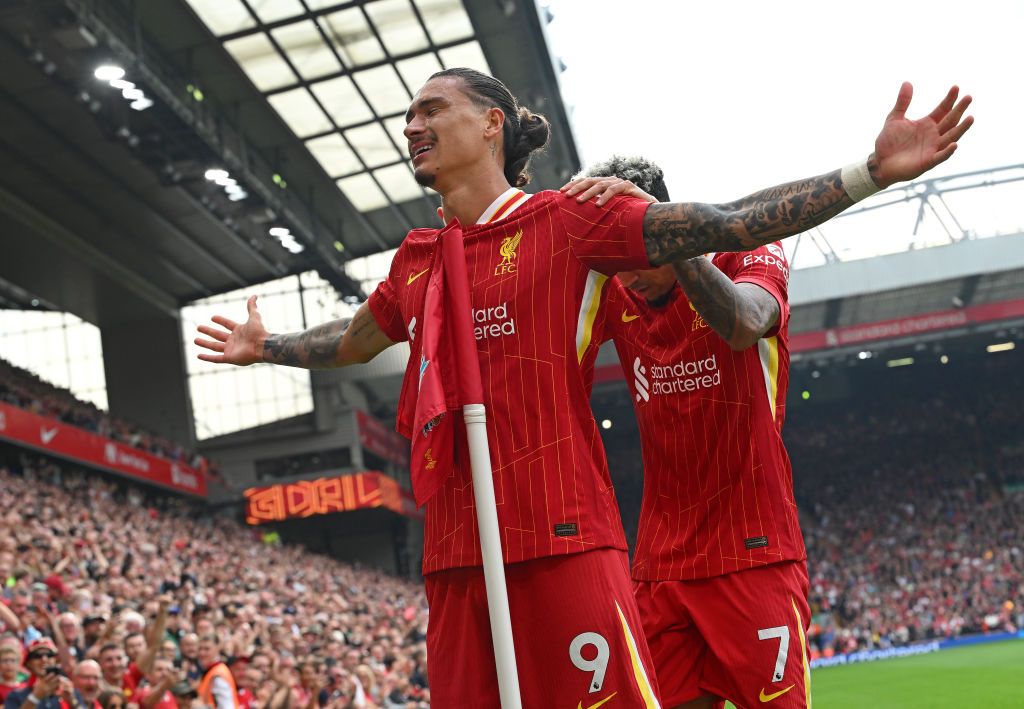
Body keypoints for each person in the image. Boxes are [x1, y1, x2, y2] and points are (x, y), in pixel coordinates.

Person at [195, 68, 972, 706]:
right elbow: (357, 339)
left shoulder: (566, 223)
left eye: (432, 108)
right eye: (407, 117)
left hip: (564, 542)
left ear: (492, 122)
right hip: (456, 556)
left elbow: (724, 223)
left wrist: (868, 173)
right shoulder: (417, 259)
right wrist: (270, 348)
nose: (412, 126)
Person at [573, 155, 809, 707]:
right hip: (660, 564)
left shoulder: (744, 252)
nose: (627, 273)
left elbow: (744, 324)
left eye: (637, 251)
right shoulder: (615, 288)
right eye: (616, 257)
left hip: (754, 549)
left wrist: (671, 236)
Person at [195, 636, 236, 709]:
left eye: (207, 649)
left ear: (217, 648)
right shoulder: (212, 670)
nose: (202, 653)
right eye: (200, 649)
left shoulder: (218, 674)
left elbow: (227, 706)